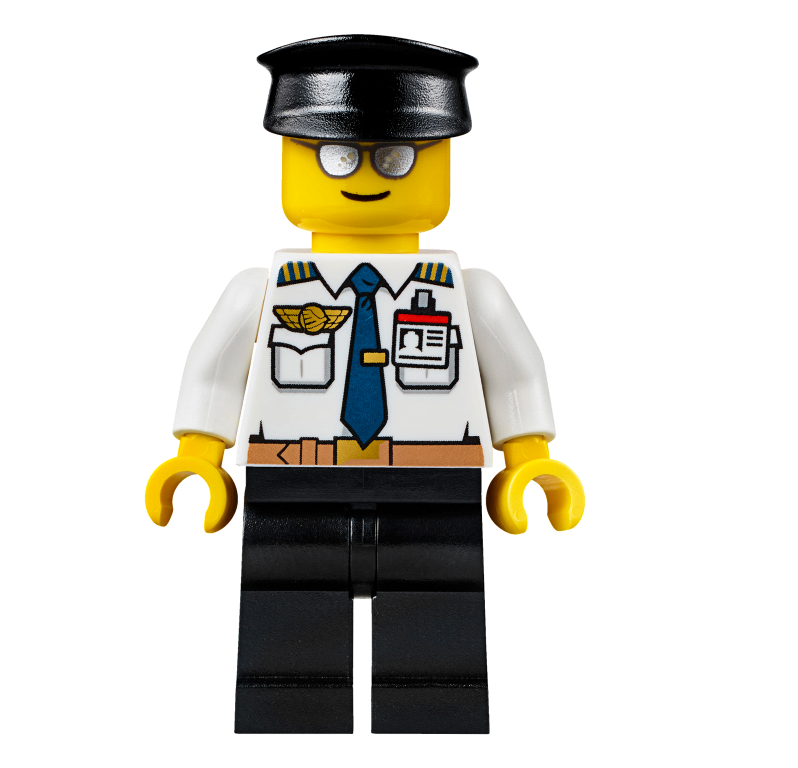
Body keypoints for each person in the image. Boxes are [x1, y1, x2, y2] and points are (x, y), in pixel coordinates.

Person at [145, 34, 584, 734]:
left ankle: (430, 731)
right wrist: (198, 453)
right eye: (337, 156)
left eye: (399, 157)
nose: (367, 174)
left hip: (433, 483)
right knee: (286, 622)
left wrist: (528, 457)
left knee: (437, 627)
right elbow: (214, 367)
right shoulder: (265, 287)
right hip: (292, 481)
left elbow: (516, 370)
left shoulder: (468, 291)